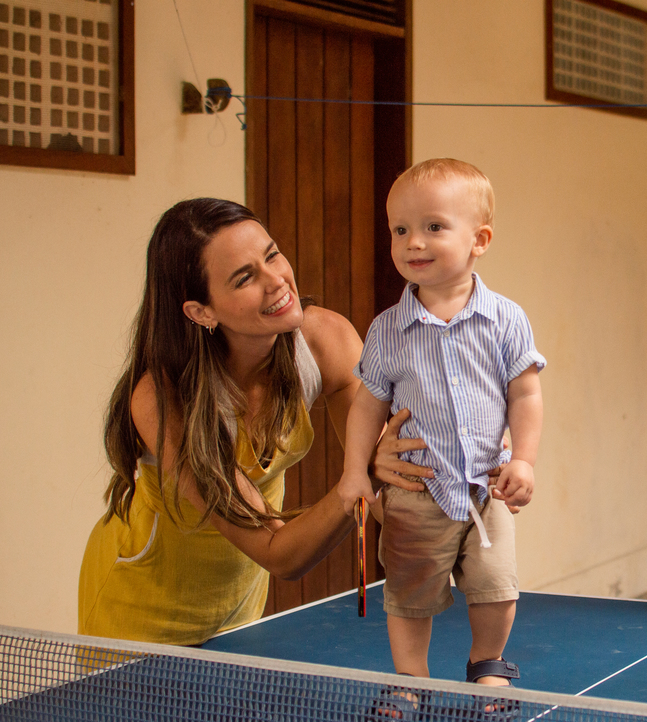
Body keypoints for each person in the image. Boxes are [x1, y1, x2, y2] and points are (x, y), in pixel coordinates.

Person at [79, 198, 431, 646]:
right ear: (201, 311)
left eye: (272, 255)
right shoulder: (162, 400)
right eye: (245, 278)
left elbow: (391, 487)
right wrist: (367, 473)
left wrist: (465, 482)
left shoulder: (324, 341)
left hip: (238, 609)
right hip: (139, 618)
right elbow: (279, 553)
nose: (276, 280)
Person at [336, 159, 544, 722]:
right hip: (415, 492)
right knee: (408, 592)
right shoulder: (387, 329)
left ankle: (488, 665)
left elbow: (526, 394)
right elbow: (367, 406)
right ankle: (411, 679)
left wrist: (524, 459)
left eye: (433, 227)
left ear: (480, 240)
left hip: (486, 489)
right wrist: (355, 471)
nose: (414, 242)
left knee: (496, 585)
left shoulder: (506, 319)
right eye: (400, 229)